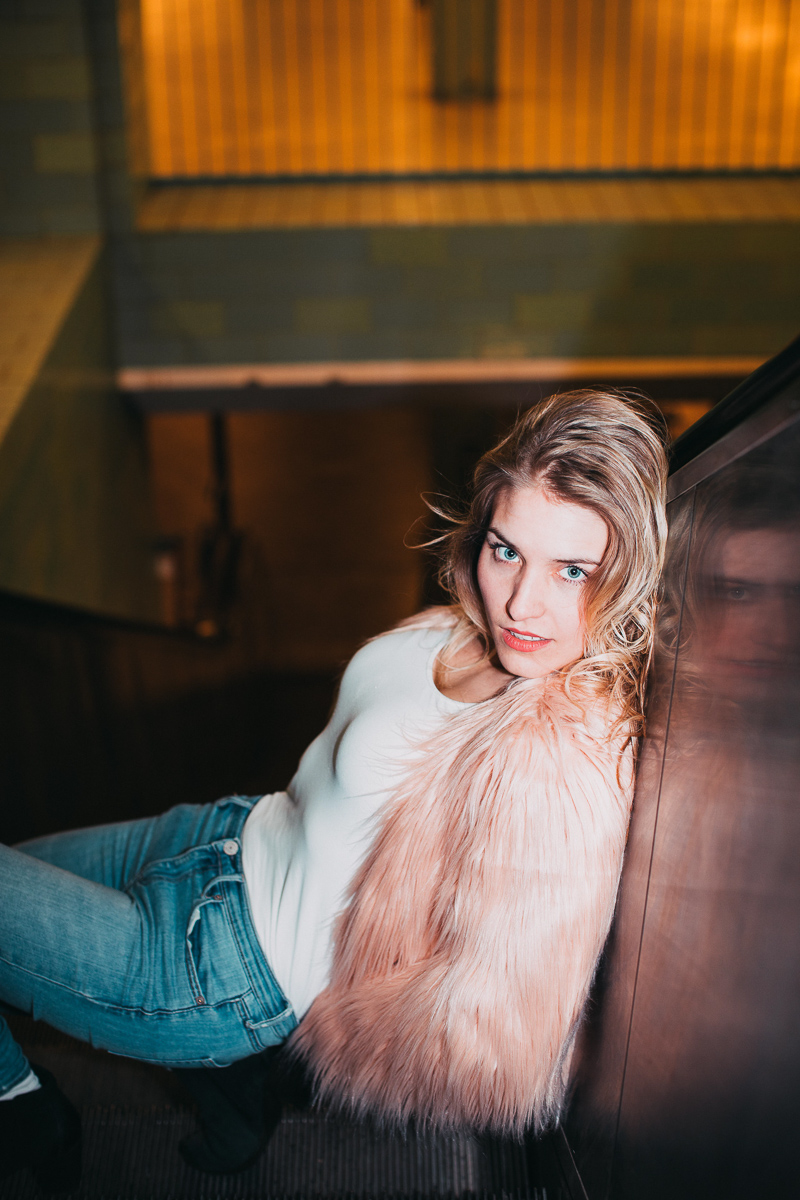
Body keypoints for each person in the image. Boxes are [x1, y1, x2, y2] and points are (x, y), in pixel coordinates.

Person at [0, 390, 668, 1190]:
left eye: (574, 571)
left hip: (221, 969)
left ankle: (26, 1110)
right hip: (219, 836)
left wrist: (313, 1028)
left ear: (625, 577)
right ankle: (212, 1086)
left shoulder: (562, 757)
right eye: (506, 551)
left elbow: (492, 1027)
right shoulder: (461, 627)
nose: (523, 602)